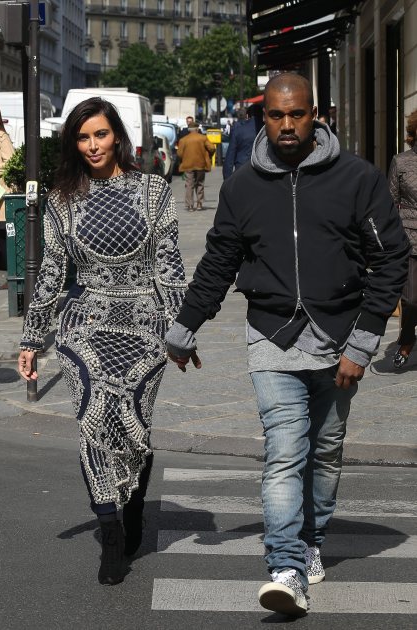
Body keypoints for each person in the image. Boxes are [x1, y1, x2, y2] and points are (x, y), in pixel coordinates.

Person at [165, 73, 409, 616]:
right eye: (276, 116)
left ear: (315, 114)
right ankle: (285, 567)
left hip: (341, 337)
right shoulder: (242, 187)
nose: (287, 125)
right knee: (284, 452)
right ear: (263, 118)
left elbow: (391, 259)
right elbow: (218, 264)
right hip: (271, 335)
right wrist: (183, 330)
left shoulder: (358, 179)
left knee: (324, 450)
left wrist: (364, 341)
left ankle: (313, 538)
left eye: (297, 114)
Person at [17, 97, 187, 586]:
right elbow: (51, 273)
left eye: (101, 135)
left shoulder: (153, 189)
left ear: (118, 137)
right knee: (94, 421)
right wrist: (32, 339)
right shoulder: (60, 199)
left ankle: (131, 505)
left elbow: (169, 264)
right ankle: (110, 530)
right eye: (83, 137)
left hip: (145, 323)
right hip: (85, 323)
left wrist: (181, 331)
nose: (92, 145)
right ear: (74, 142)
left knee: (133, 427)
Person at [388, 109, 417, 368]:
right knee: (410, 299)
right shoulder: (401, 161)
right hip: (409, 239)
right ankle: (407, 341)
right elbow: (390, 203)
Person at [177, 121, 215, 211]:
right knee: (200, 183)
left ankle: (190, 205)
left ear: (189, 130)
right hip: (200, 164)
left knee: (189, 185)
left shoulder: (183, 140)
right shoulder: (203, 138)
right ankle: (199, 204)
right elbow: (212, 148)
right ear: (197, 129)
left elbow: (179, 154)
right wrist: (208, 156)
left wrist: (185, 158)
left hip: (188, 165)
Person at [222, 103, 263, 179]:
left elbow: (230, 157)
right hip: (263, 173)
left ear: (247, 116)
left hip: (242, 172)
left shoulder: (238, 130)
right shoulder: (268, 129)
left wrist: (227, 179)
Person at [0, 105, 15, 279]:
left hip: (0, 192)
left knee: (3, 232)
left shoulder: (2, 138)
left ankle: (8, 272)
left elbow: (11, 161)